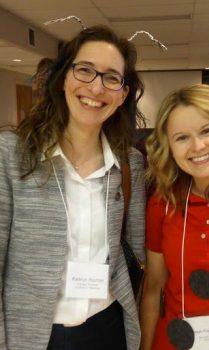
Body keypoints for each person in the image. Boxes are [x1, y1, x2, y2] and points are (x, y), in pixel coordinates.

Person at [0, 25, 146, 350]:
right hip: (32, 334)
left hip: (108, 328)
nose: (96, 87)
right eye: (85, 70)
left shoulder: (129, 165)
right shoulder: (10, 155)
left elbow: (136, 256)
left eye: (111, 77)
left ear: (123, 94)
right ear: (65, 77)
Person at [140, 84, 209, 350]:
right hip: (172, 341)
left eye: (207, 131)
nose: (197, 146)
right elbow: (154, 286)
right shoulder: (163, 202)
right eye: (181, 137)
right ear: (169, 146)